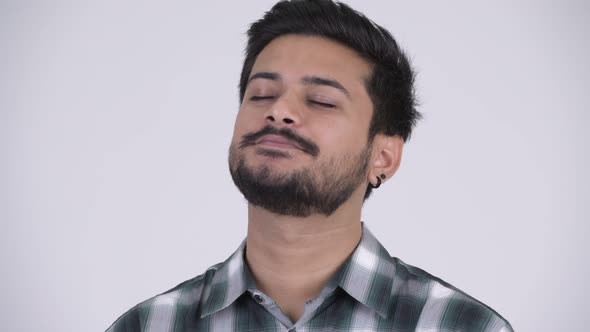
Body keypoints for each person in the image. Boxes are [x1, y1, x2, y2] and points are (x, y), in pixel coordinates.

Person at [107, 0, 513, 331]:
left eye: (321, 101)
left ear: (383, 156)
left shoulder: (464, 327)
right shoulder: (148, 325)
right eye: (261, 94)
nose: (279, 111)